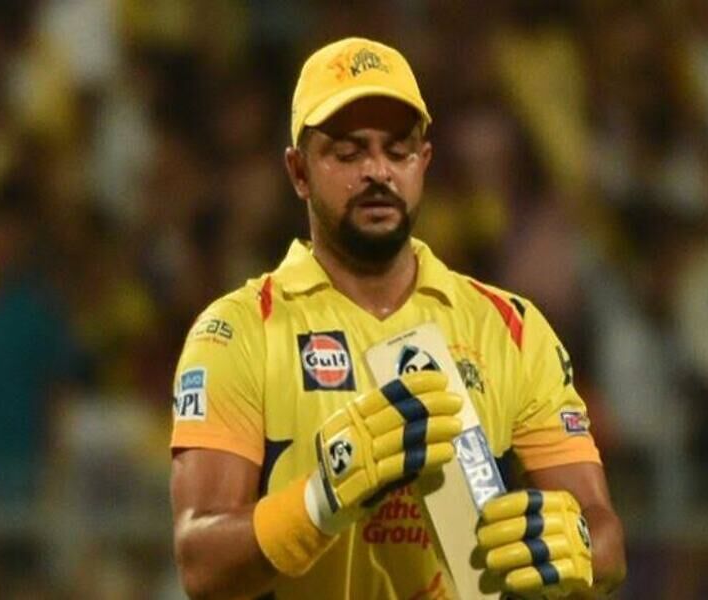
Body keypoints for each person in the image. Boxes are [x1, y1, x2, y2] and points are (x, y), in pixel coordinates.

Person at [169, 37, 626, 599]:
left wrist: (572, 543)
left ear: (424, 163)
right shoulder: (238, 331)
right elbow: (201, 565)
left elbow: (606, 541)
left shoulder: (511, 329)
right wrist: (321, 499)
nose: (378, 171)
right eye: (348, 153)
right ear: (298, 171)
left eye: (398, 151)